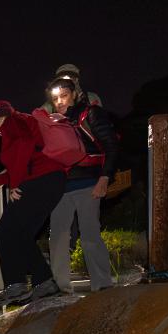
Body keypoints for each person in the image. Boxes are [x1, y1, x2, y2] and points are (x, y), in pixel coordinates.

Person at [0, 100, 67, 307]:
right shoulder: (20, 122)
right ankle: (44, 283)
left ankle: (16, 286)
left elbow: (24, 146)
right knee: (20, 234)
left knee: (4, 231)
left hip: (42, 181)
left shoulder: (13, 122)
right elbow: (26, 160)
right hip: (50, 179)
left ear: (0, 116)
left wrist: (15, 185)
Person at [47, 77, 121, 293]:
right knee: (57, 236)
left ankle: (102, 285)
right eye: (55, 99)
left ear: (74, 95)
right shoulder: (53, 123)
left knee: (89, 234)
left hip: (89, 183)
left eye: (64, 96)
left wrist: (104, 178)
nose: (59, 101)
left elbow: (111, 146)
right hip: (61, 188)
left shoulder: (90, 114)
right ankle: (60, 287)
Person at [38, 63, 103, 114]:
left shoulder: (90, 98)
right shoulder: (51, 105)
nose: (65, 82)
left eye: (68, 79)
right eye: (61, 80)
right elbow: (37, 117)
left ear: (76, 80)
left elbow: (100, 118)